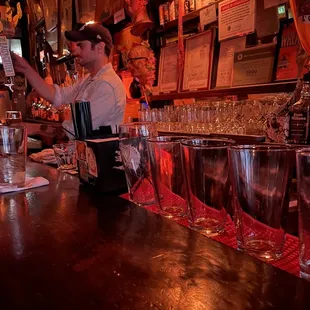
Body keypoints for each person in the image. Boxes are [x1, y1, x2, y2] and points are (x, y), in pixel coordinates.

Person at [11, 22, 126, 136]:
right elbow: (56, 95)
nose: (76, 51)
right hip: (86, 152)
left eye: (81, 46)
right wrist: (26, 69)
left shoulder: (106, 85)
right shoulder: (90, 79)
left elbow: (77, 131)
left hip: (101, 154)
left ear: (100, 48)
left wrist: (35, 128)